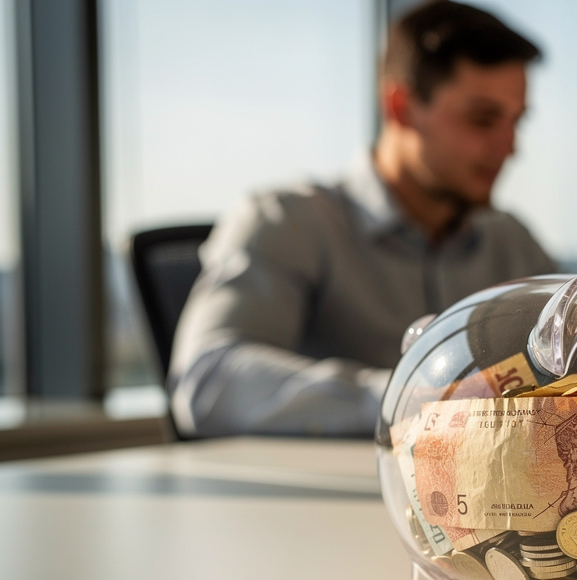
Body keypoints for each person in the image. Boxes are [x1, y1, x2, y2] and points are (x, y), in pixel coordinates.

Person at [169, 1, 556, 438]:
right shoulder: (288, 222)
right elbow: (208, 383)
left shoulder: (512, 242)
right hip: (318, 499)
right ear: (401, 106)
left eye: (515, 122)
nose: (509, 148)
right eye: (483, 120)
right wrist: (413, 400)